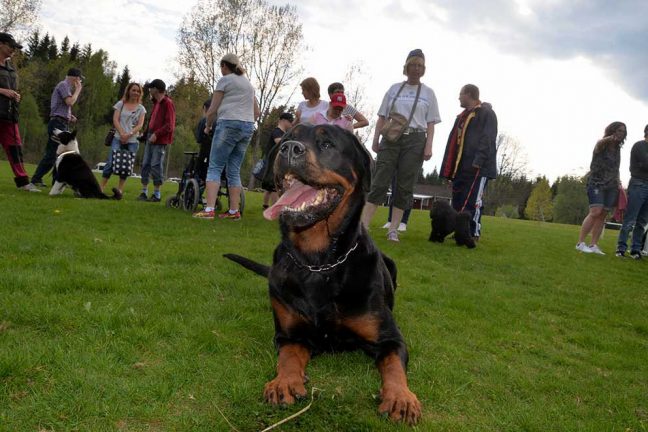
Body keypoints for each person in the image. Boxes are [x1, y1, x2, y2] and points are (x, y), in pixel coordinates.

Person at [361, 49, 441, 242]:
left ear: (423, 69)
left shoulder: (428, 93)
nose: (416, 69)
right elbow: (382, 117)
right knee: (379, 181)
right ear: (406, 67)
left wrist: (428, 146)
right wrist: (375, 140)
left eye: (420, 66)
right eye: (413, 65)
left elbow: (430, 124)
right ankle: (362, 227)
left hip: (415, 140)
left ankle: (394, 229)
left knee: (404, 186)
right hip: (391, 139)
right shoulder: (394, 89)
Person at [193, 53, 259, 220]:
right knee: (234, 169)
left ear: (224, 66)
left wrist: (208, 127)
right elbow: (256, 112)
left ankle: (209, 209)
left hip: (228, 123)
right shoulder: (248, 85)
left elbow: (212, 109)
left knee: (214, 166)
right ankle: (233, 211)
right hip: (247, 127)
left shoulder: (225, 80)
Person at [439, 84, 498, 240]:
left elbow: (488, 138)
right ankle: (460, 230)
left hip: (479, 167)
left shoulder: (486, 114)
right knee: (458, 201)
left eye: (461, 94)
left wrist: (479, 160)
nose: (458, 97)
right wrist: (449, 169)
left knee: (473, 201)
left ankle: (473, 232)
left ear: (469, 94)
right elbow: (452, 144)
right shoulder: (462, 117)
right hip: (461, 167)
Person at [576, 121, 626, 254]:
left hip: (612, 185)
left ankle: (593, 245)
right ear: (612, 130)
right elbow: (600, 142)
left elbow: (616, 167)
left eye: (623, 131)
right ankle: (580, 243)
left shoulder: (618, 149)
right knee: (595, 212)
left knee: (603, 215)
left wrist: (618, 181)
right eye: (619, 130)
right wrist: (610, 138)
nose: (621, 133)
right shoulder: (601, 144)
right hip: (597, 183)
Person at [30, 67, 83, 188]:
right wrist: (78, 90)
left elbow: (61, 106)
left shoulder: (65, 87)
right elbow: (70, 102)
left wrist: (70, 116)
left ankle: (46, 179)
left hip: (61, 121)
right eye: (79, 79)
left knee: (55, 153)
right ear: (75, 78)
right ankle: (37, 179)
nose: (79, 82)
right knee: (53, 153)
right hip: (58, 123)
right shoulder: (64, 85)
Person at [0, 33, 39, 192]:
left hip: (9, 116)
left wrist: (15, 95)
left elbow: (11, 89)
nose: (13, 50)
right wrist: (2, 91)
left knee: (15, 149)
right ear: (1, 44)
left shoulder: (11, 68)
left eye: (15, 48)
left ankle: (23, 183)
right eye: (11, 46)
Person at [100, 82, 146, 194]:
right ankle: (101, 188)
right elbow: (115, 119)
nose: (135, 92)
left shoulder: (141, 109)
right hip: (117, 137)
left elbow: (140, 125)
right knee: (111, 162)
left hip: (133, 140)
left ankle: (119, 190)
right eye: (133, 90)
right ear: (128, 91)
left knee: (126, 165)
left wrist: (129, 134)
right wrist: (122, 134)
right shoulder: (121, 104)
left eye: (138, 91)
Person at [138, 79, 176, 202]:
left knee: (156, 165)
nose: (149, 90)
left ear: (156, 89)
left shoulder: (167, 103)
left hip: (160, 140)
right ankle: (143, 192)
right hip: (151, 136)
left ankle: (157, 194)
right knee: (145, 164)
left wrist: (157, 134)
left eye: (151, 88)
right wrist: (145, 134)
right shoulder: (156, 103)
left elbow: (170, 125)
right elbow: (152, 122)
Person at [615, 124, 648, 259]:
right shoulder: (639, 146)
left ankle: (635, 250)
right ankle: (621, 248)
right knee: (630, 219)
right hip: (639, 184)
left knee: (642, 221)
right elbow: (646, 163)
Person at [261, 112, 293, 209]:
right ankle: (275, 208)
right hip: (272, 162)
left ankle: (265, 205)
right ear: (283, 120)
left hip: (276, 162)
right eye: (290, 122)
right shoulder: (277, 131)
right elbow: (279, 143)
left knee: (270, 188)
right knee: (274, 187)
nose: (291, 124)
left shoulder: (283, 133)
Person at [195, 99, 214, 184]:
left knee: (197, 162)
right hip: (218, 157)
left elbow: (199, 139)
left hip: (206, 155)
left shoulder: (204, 121)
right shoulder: (221, 122)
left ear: (205, 108)